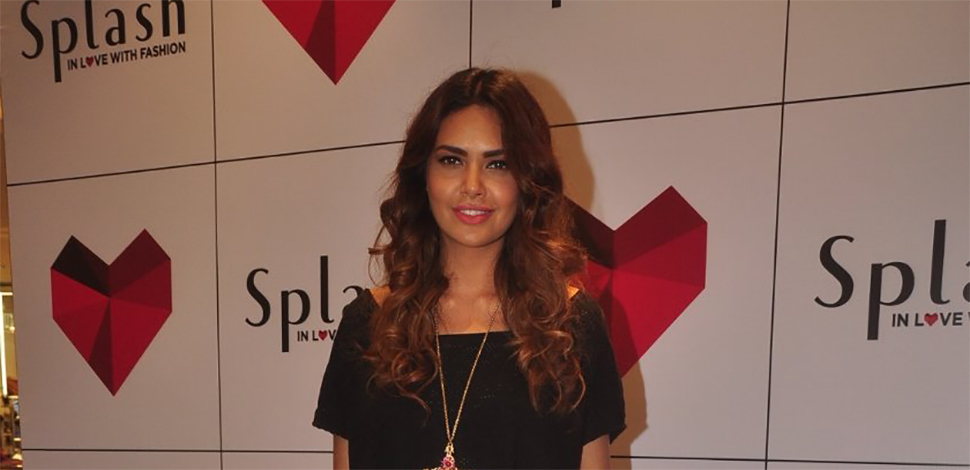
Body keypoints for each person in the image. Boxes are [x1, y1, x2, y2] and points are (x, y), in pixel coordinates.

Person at [313, 68, 625, 469]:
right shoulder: (369, 324)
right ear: (423, 175)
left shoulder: (570, 326)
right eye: (451, 160)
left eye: (498, 164)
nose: (473, 185)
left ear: (527, 181)